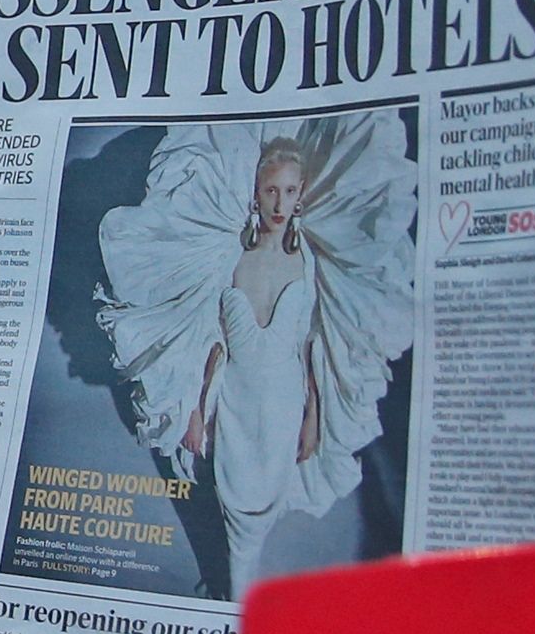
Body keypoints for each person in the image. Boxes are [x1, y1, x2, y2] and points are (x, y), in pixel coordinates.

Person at [96, 115, 414, 601]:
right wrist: (198, 412)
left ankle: (243, 591)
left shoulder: (309, 258)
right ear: (256, 193)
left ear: (301, 193)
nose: (279, 203)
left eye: (288, 192)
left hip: (284, 401)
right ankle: (237, 594)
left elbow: (310, 346)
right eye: (271, 191)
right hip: (235, 401)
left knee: (267, 501)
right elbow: (212, 343)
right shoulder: (232, 257)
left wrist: (312, 419)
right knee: (234, 500)